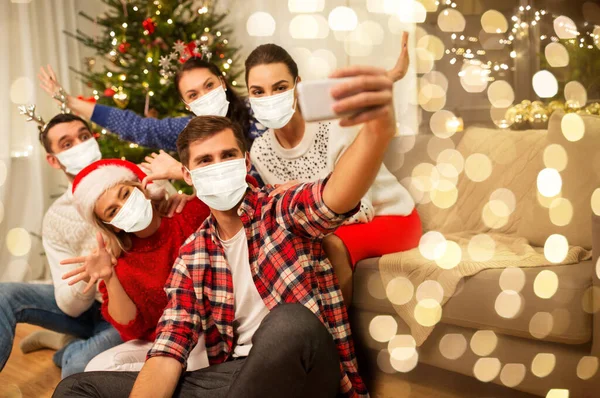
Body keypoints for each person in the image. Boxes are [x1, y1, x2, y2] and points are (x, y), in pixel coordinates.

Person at [53, 63, 397, 398]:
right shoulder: (194, 255)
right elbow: (168, 350)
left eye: (227, 155)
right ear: (186, 175)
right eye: (204, 161)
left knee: (288, 322)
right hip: (238, 375)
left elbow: (336, 195)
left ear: (246, 163)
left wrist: (377, 129)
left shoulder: (280, 209)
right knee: (77, 387)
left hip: (309, 365)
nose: (218, 167)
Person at [37, 32, 410, 160]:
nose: (204, 96)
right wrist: (70, 101)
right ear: (187, 103)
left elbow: (327, 99)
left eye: (209, 86)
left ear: (223, 81)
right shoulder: (188, 131)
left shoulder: (261, 105)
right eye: (193, 94)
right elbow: (135, 127)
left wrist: (388, 78)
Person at [245, 42, 422, 305]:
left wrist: (302, 195)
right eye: (258, 91)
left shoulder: (336, 126)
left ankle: (340, 343)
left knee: (329, 246)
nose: (269, 98)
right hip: (325, 230)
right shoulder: (260, 149)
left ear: (297, 86)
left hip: (391, 219)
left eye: (280, 88)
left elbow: (360, 208)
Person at [59, 158, 218, 372]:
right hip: (164, 341)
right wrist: (109, 277)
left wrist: (182, 173)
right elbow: (132, 328)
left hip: (211, 329)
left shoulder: (186, 213)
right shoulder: (121, 262)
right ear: (112, 227)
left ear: (142, 189)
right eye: (112, 211)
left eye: (125, 194)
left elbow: (241, 188)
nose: (125, 207)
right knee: (96, 368)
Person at [0, 113, 122, 378]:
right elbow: (70, 305)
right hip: (87, 307)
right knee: (3, 294)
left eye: (84, 136)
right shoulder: (57, 217)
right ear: (53, 160)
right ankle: (74, 338)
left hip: (126, 312)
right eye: (67, 144)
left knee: (76, 368)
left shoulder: (133, 182)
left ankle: (66, 346)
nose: (81, 145)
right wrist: (89, 275)